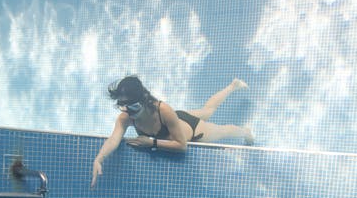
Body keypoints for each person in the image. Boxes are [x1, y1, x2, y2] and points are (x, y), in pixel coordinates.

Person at [90, 76, 253, 188]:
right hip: (176, 120)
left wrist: (151, 143)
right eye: (122, 106)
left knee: (221, 129)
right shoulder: (126, 117)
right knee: (207, 110)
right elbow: (113, 139)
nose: (127, 111)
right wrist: (99, 158)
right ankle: (234, 85)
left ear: (143, 100)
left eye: (132, 107)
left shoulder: (163, 110)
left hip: (193, 130)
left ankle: (245, 131)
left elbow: (182, 145)